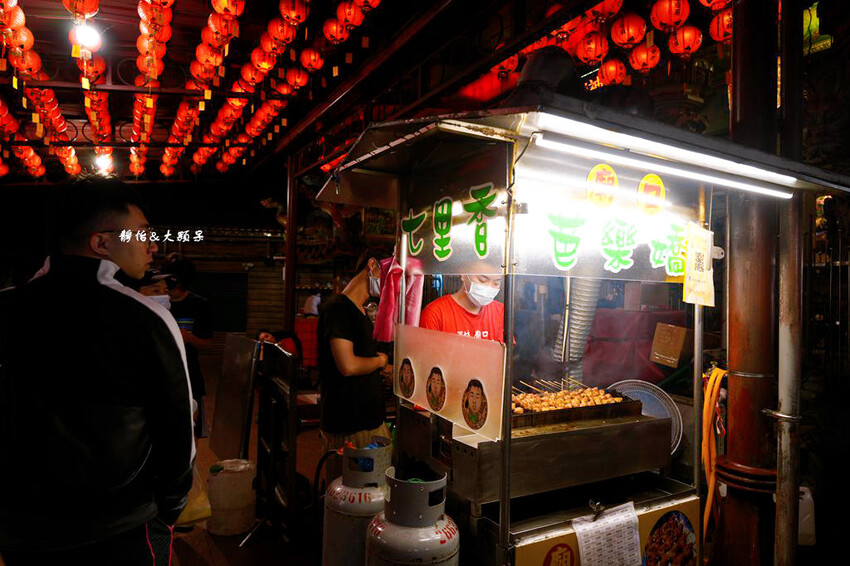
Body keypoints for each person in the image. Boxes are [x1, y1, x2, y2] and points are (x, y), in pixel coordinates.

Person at [0, 182, 195, 565]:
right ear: (101, 243)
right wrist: (167, 511)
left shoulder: (6, 307)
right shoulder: (147, 317)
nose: (151, 246)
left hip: (19, 529)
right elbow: (177, 436)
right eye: (142, 235)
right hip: (118, 526)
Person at [317, 252, 391, 471]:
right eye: (390, 275)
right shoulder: (338, 308)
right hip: (349, 425)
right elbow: (347, 365)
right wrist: (379, 362)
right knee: (350, 498)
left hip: (367, 422)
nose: (391, 284)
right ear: (372, 265)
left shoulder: (361, 311)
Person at [162, 257, 213, 438]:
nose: (171, 291)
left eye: (175, 286)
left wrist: (188, 338)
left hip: (190, 374)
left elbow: (207, 343)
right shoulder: (157, 302)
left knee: (192, 429)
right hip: (161, 375)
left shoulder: (200, 305)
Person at [419, 272, 504, 342]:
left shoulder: (501, 311)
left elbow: (505, 356)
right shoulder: (435, 313)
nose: (489, 288)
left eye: (496, 283)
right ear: (463, 274)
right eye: (482, 280)